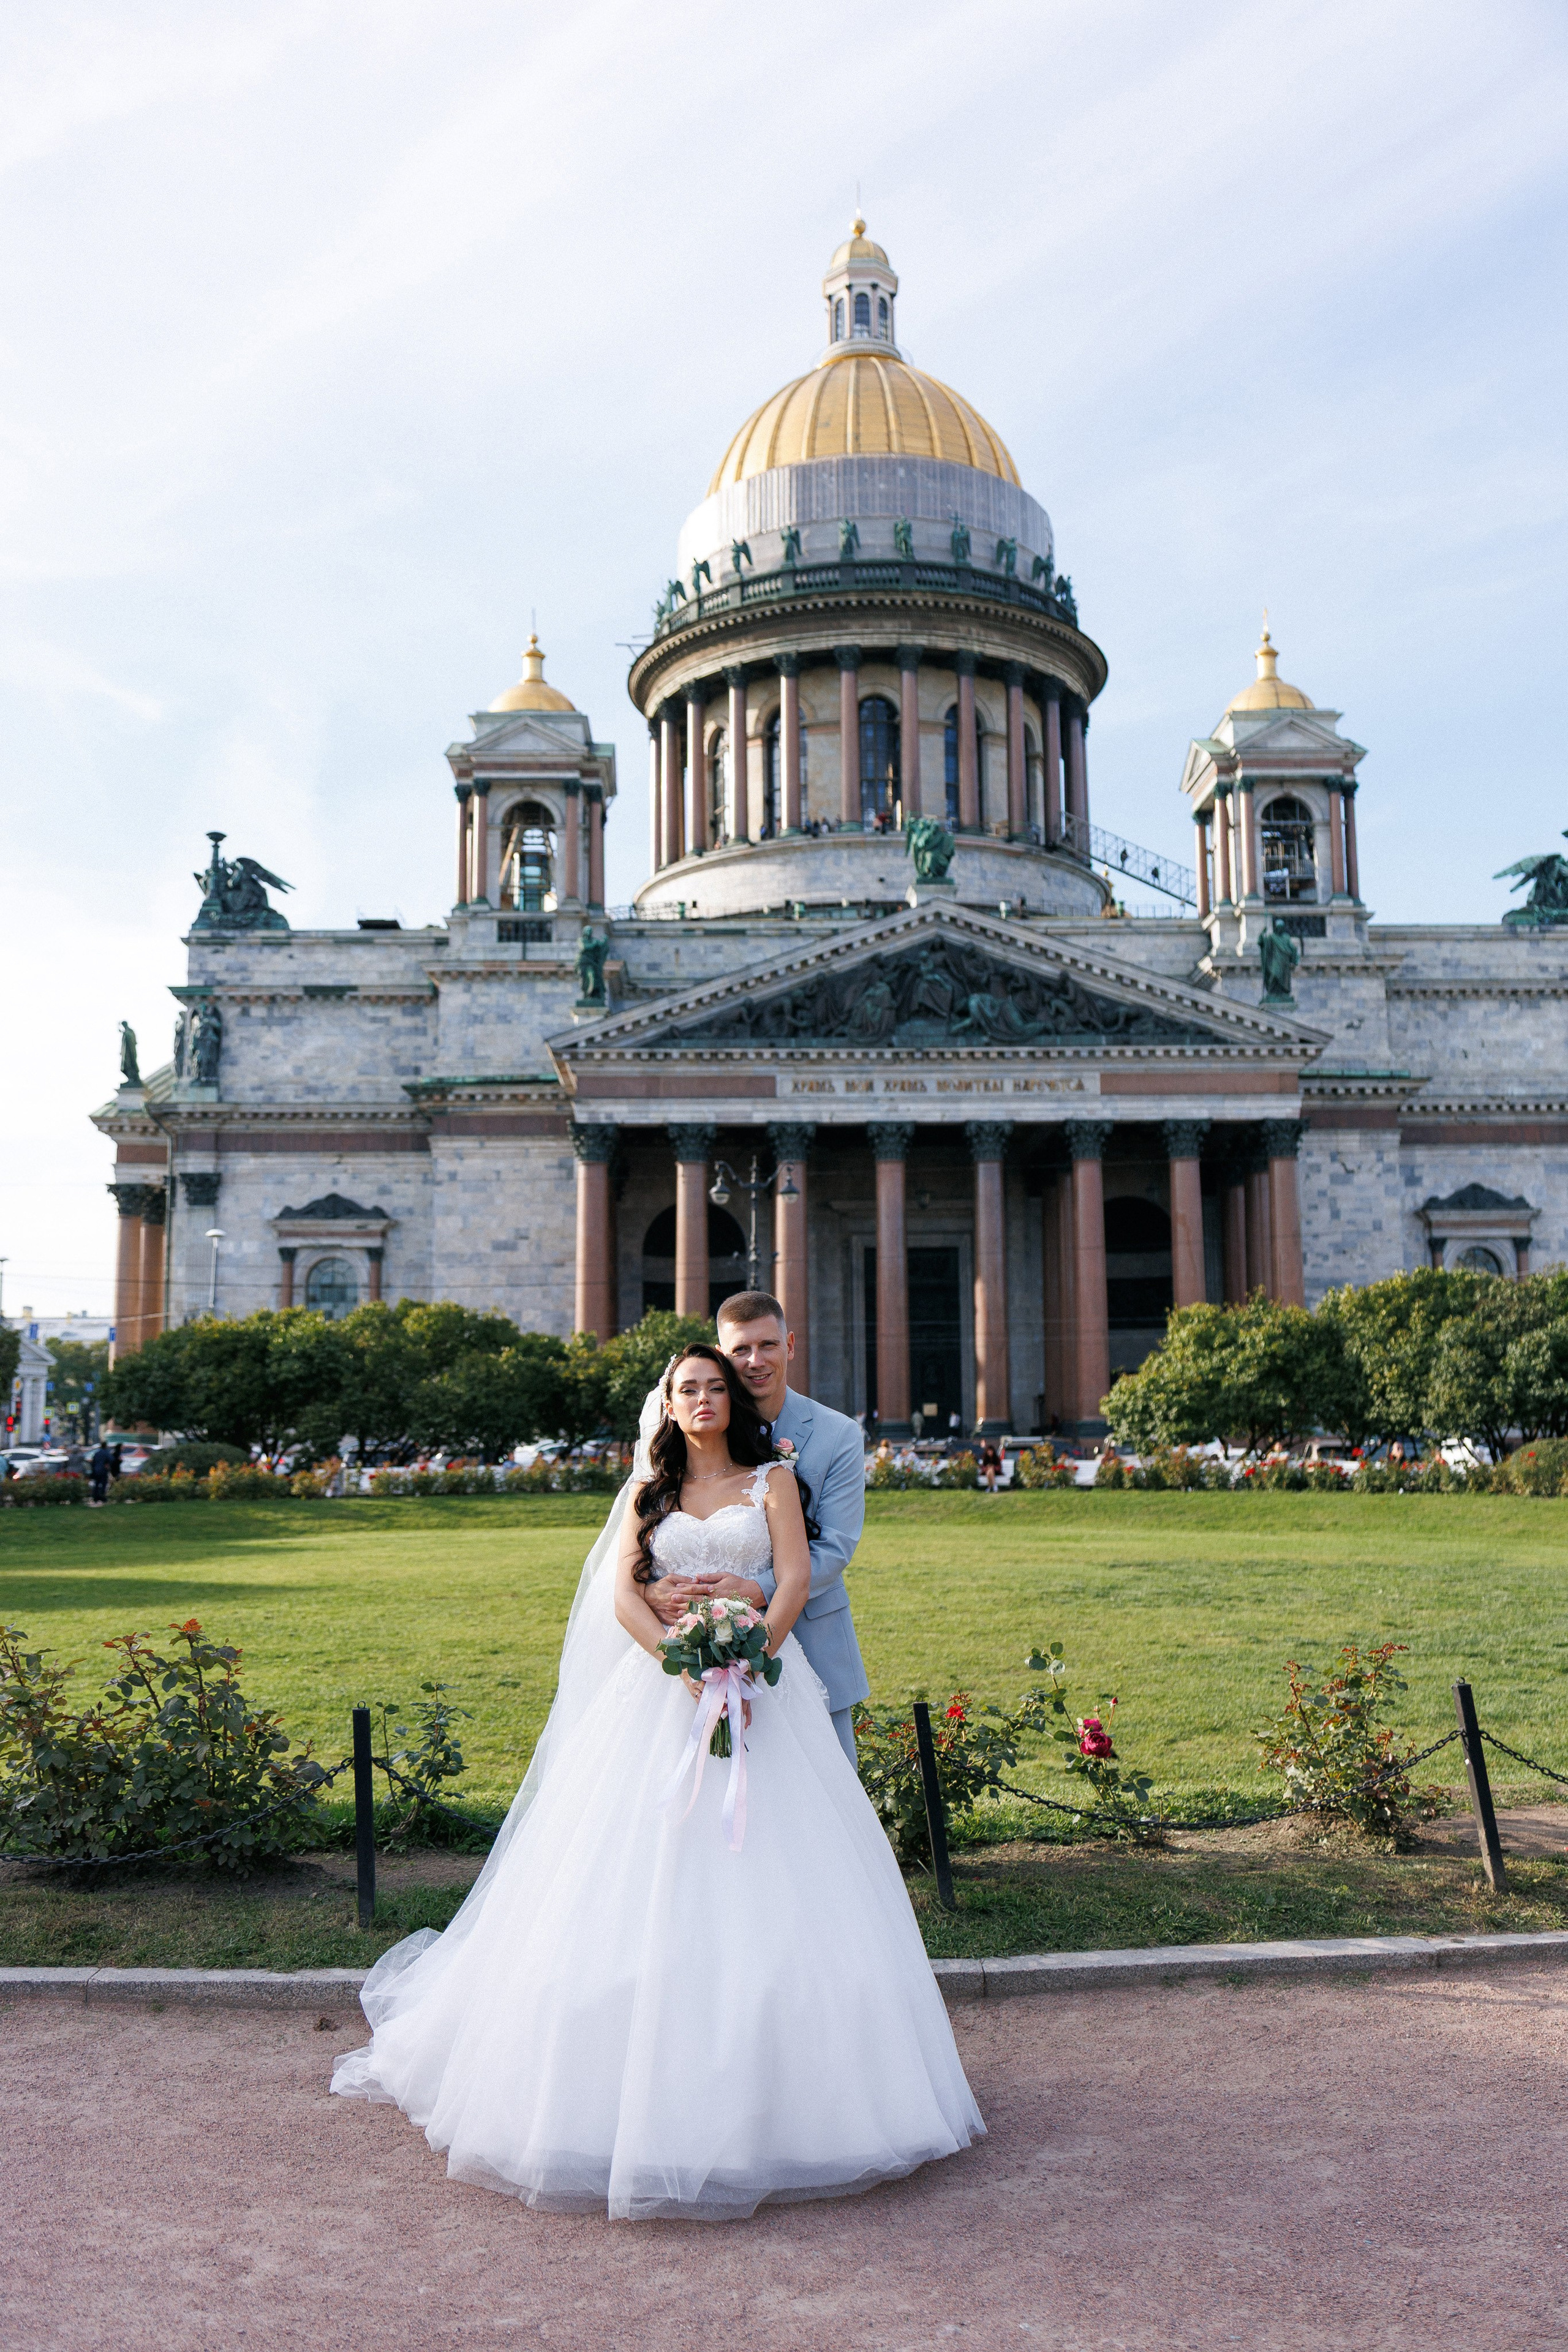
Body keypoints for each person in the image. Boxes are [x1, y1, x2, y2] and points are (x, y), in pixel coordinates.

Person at [331, 1343, 982, 2218]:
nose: (705, 1400)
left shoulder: (773, 1480)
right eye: (689, 1389)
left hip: (762, 1696)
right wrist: (680, 1662)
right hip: (660, 1700)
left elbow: (792, 1577)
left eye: (717, 1387)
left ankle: (800, 2098)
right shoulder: (651, 1492)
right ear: (668, 1406)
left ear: (733, 1401)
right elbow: (623, 1598)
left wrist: (753, 1654)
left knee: (780, 1875)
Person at [642, 1291, 869, 1766]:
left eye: (767, 1345)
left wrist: (757, 1589)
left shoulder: (838, 1435)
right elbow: (654, 1535)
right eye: (740, 1350)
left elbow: (836, 1546)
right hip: (699, 1648)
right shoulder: (689, 1438)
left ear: (790, 1345)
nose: (755, 1361)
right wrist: (653, 1591)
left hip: (812, 1641)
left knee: (819, 1797)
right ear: (721, 1356)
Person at [89, 1441, 111, 1507]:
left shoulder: (97, 1453)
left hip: (96, 1470)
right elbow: (111, 1460)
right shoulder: (106, 1453)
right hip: (103, 1471)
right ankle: (102, 1496)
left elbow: (93, 1462)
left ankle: (95, 1496)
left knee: (97, 1484)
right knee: (104, 1484)